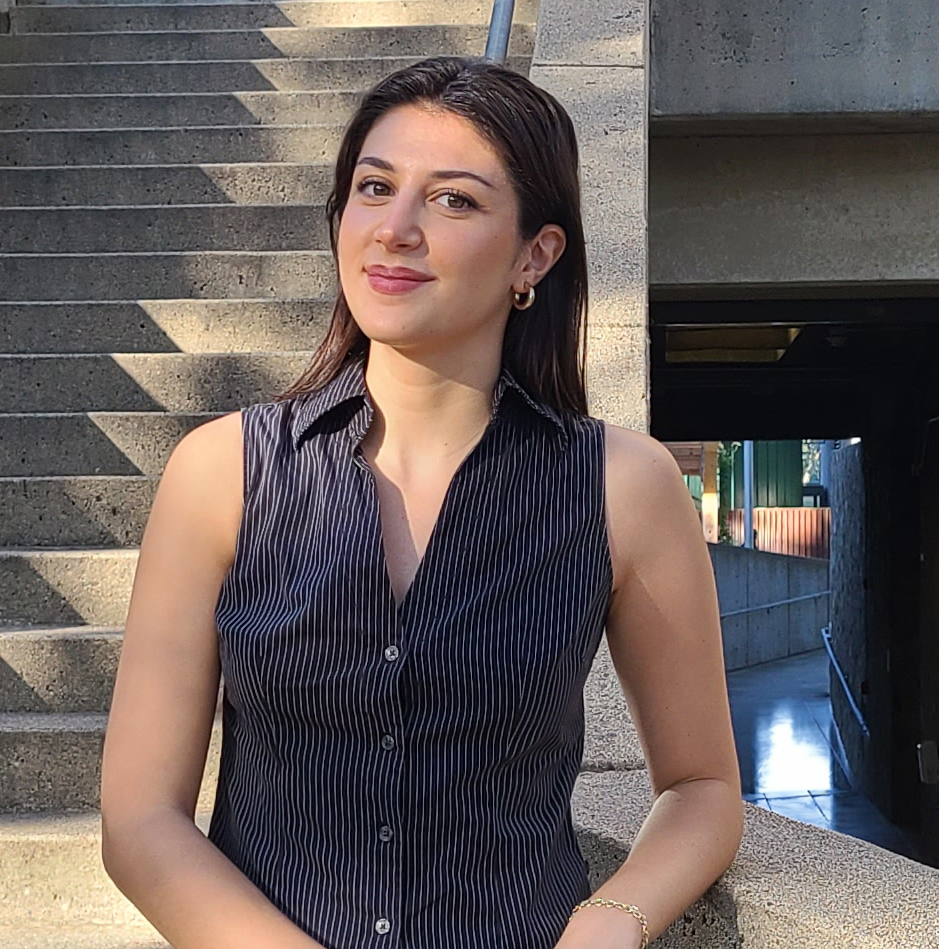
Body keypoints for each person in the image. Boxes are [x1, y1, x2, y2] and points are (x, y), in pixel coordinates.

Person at [100, 55, 744, 949]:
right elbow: (140, 819)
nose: (395, 229)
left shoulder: (622, 487)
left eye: (453, 200)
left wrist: (611, 918)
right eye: (374, 188)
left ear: (534, 255)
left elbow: (703, 787)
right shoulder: (222, 473)